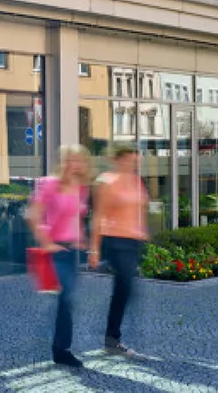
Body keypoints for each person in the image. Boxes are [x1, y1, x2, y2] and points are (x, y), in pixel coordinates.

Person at [26, 144, 91, 368]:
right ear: (64, 162)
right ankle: (61, 349)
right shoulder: (49, 184)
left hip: (72, 251)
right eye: (73, 159)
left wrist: (81, 238)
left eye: (80, 160)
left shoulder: (81, 188)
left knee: (67, 299)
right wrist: (47, 242)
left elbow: (77, 216)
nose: (77, 164)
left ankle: (60, 347)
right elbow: (32, 215)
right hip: (56, 251)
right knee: (67, 297)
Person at [89, 142, 148, 357]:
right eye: (130, 158)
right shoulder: (106, 181)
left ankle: (112, 336)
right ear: (118, 159)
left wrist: (142, 231)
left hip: (133, 242)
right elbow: (98, 216)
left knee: (125, 290)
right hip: (114, 240)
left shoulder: (136, 181)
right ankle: (112, 338)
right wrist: (94, 249)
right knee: (124, 287)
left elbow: (140, 209)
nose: (134, 162)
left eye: (136, 159)